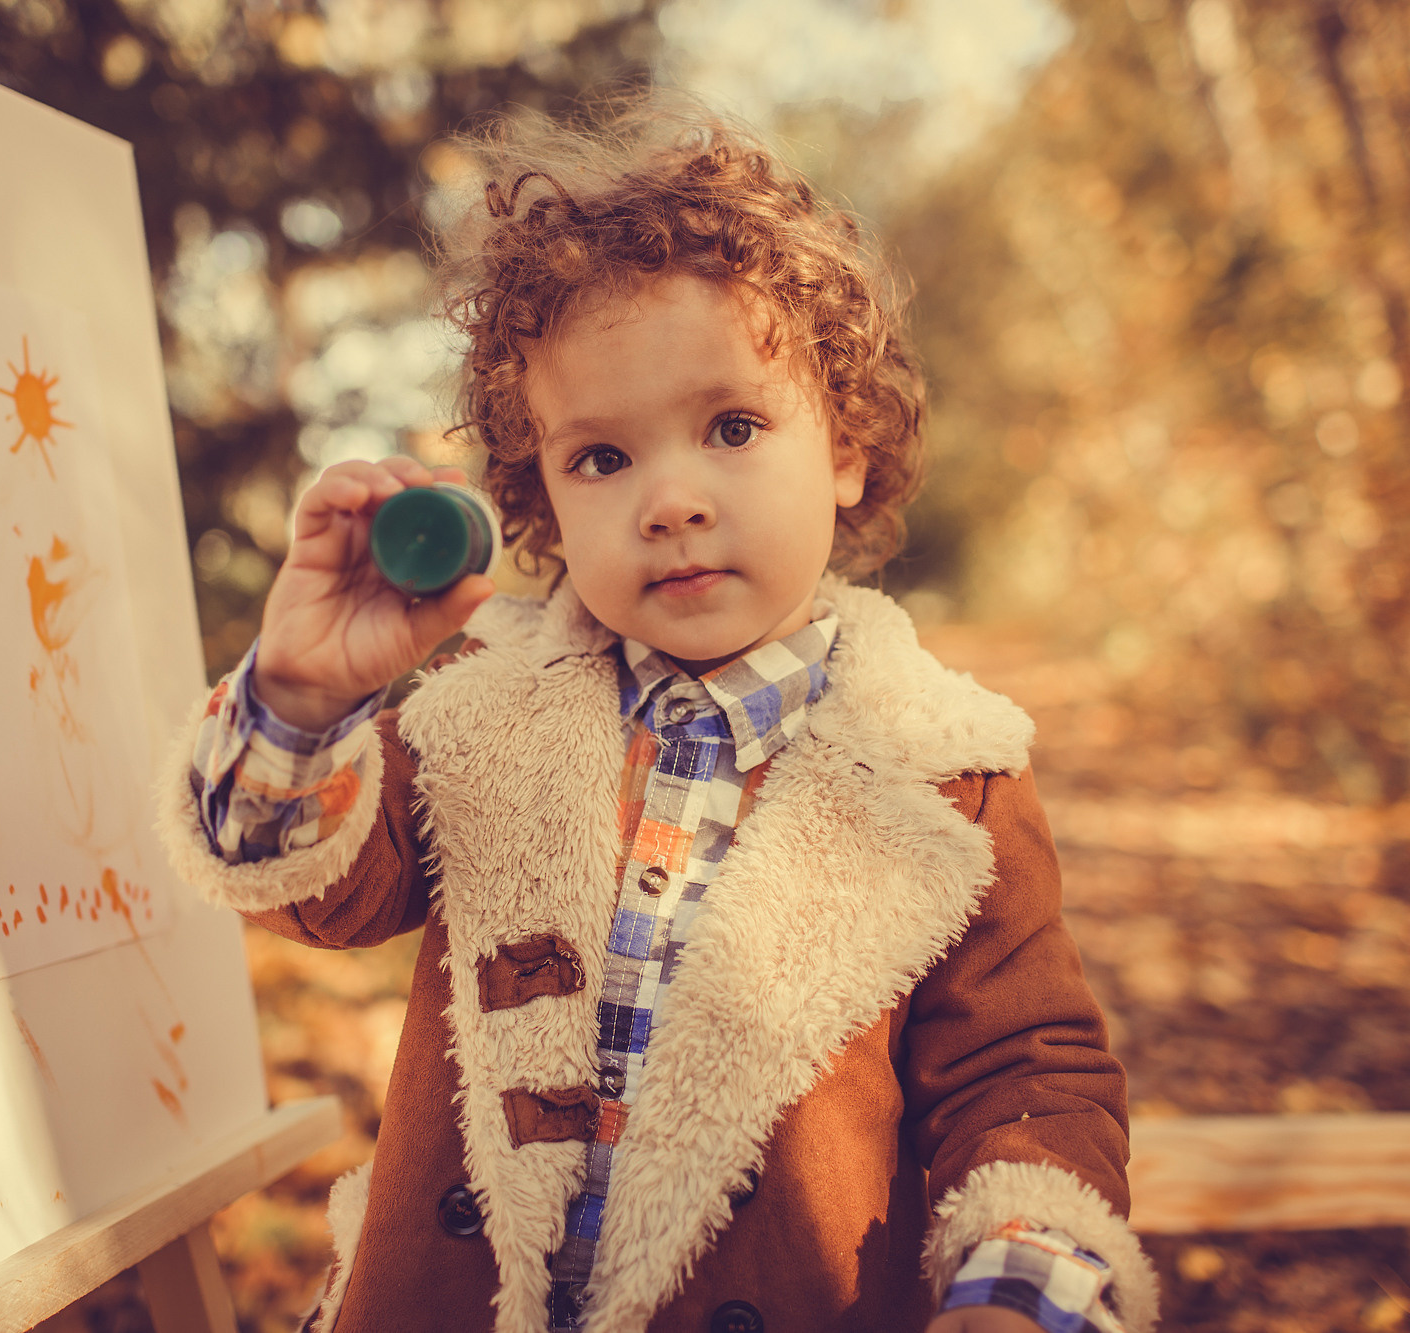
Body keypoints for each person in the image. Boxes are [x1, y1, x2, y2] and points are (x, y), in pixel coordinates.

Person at [157, 96, 1156, 1333]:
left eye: (731, 427)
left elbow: (1027, 1075)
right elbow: (313, 889)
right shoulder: (477, 720)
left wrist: (1018, 1286)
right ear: (542, 500)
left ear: (842, 444)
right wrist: (302, 701)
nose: (670, 499)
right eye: (600, 458)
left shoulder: (947, 777)